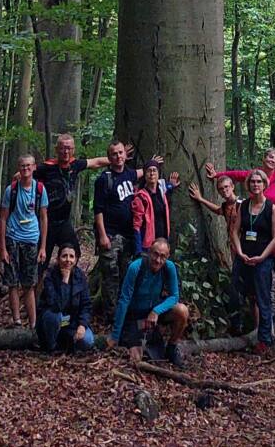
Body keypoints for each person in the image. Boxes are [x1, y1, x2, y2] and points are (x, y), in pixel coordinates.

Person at [207, 147, 275, 324]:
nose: (271, 160)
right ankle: (258, 314)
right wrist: (218, 174)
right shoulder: (254, 175)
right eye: (269, 157)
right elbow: (236, 175)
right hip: (256, 230)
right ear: (263, 159)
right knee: (260, 269)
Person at [33, 133, 117, 269]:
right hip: (46, 223)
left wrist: (117, 158)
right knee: (40, 263)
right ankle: (40, 287)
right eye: (63, 148)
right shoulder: (46, 168)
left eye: (69, 148)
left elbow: (96, 162)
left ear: (73, 150)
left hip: (64, 223)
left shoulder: (75, 165)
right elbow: (22, 174)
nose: (66, 151)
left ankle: (62, 282)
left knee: (74, 253)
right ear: (57, 149)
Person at [112, 238, 189, 366]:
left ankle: (172, 347)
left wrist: (156, 311)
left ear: (168, 257)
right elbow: (124, 300)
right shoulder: (136, 267)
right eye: (155, 254)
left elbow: (174, 296)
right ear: (149, 252)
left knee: (182, 311)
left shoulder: (169, 267)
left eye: (163, 256)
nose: (158, 260)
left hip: (154, 314)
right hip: (135, 317)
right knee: (136, 359)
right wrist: (115, 335)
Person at [231, 168, 275, 353]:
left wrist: (262, 257)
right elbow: (236, 231)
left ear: (264, 184)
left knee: (263, 298)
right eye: (252, 182)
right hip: (243, 257)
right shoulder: (243, 206)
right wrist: (240, 251)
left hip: (262, 260)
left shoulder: (270, 207)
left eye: (259, 182)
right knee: (237, 292)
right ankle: (238, 327)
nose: (255, 185)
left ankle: (265, 339)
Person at [189, 173, 247, 326]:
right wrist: (200, 199)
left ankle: (246, 320)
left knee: (244, 285)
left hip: (246, 251)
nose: (224, 191)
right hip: (234, 252)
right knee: (237, 284)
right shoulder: (226, 206)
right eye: (221, 189)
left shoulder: (243, 204)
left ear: (232, 187)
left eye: (227, 187)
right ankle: (238, 319)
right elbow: (217, 210)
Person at [0, 153, 48, 330]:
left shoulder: (40, 190)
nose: (26, 169)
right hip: (13, 238)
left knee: (29, 283)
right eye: (22, 166)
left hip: (31, 240)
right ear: (18, 169)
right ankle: (17, 321)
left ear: (34, 167)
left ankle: (34, 324)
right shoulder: (10, 190)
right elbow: (3, 218)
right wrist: (2, 248)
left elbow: (43, 218)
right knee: (12, 282)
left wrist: (43, 247)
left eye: (29, 166)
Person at [93, 140, 140, 319]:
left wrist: (155, 164)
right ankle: (111, 313)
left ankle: (125, 311)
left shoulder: (130, 174)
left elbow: (147, 172)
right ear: (109, 157)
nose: (118, 156)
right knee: (110, 275)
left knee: (127, 273)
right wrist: (103, 235)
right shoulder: (104, 179)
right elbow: (98, 210)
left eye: (121, 153)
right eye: (114, 154)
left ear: (125, 154)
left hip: (128, 236)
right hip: (111, 235)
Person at [36, 240, 95, 355]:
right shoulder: (50, 277)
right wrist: (65, 281)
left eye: (71, 257)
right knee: (55, 317)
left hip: (71, 322)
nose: (68, 260)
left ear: (76, 260)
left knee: (88, 341)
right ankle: (51, 347)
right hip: (53, 320)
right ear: (58, 259)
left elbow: (86, 304)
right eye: (64, 256)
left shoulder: (80, 277)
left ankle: (66, 343)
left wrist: (82, 325)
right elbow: (56, 306)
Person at [132, 156, 180, 252]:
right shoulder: (141, 197)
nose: (152, 173)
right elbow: (136, 225)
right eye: (149, 171)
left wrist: (171, 185)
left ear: (158, 174)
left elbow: (166, 187)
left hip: (163, 241)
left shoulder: (161, 190)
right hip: (148, 245)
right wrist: (138, 250)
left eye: (154, 170)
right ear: (145, 175)